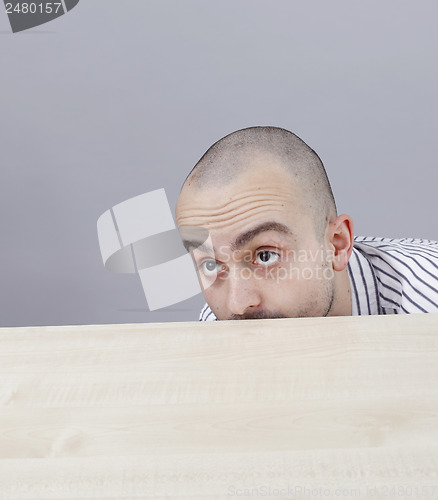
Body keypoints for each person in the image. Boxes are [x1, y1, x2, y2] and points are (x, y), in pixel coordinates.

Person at [175, 126, 438, 321]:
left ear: (337, 245)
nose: (238, 304)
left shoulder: (427, 302)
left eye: (265, 256)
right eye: (211, 265)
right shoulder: (216, 326)